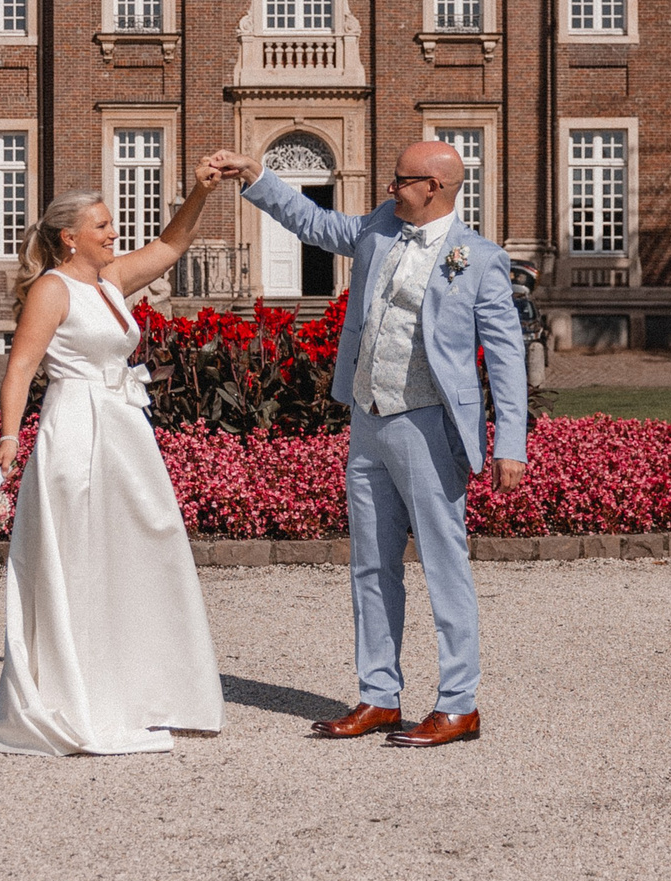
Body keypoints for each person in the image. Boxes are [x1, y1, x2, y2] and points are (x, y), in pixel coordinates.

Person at [201, 140, 528, 748]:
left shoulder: (479, 260)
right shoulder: (380, 230)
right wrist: (257, 176)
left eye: (399, 180)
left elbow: (507, 358)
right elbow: (317, 223)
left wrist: (510, 441)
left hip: (430, 424)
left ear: (433, 185)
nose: (388, 189)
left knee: (443, 564)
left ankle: (458, 704)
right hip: (369, 419)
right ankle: (379, 695)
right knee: (371, 563)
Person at [0, 168, 226, 756]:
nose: (113, 232)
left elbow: (171, 246)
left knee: (150, 540)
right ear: (70, 236)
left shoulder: (110, 280)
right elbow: (20, 367)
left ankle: (144, 689)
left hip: (123, 428)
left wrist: (201, 191)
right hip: (75, 430)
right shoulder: (52, 289)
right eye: (102, 225)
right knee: (81, 557)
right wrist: (10, 438)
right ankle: (81, 696)